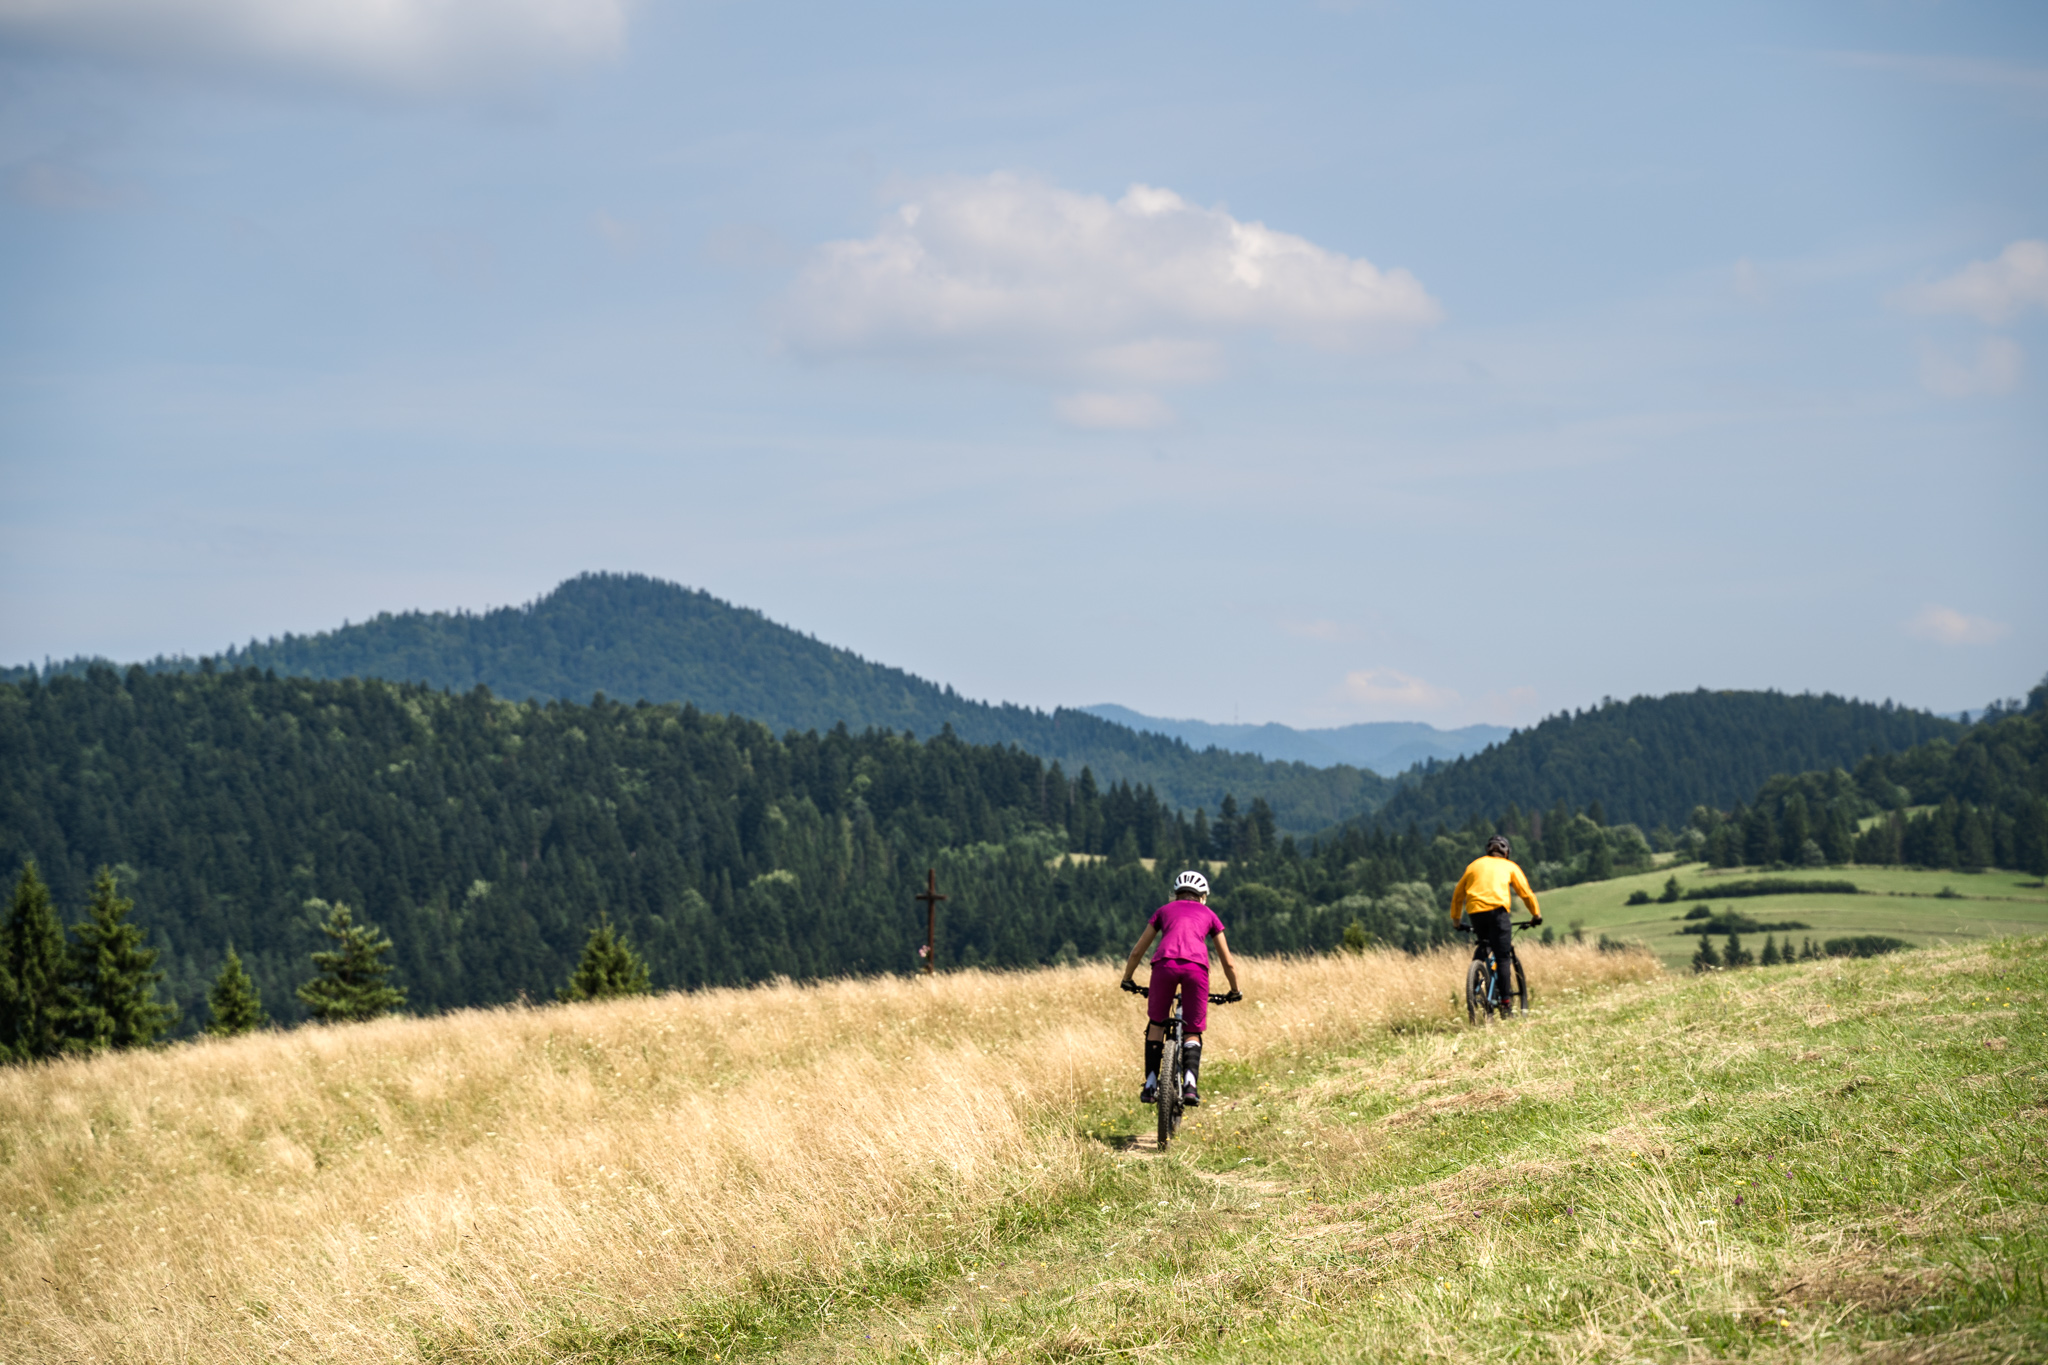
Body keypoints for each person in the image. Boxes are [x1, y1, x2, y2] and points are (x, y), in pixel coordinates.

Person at [1120, 870, 1240, 1106]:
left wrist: (1128, 978)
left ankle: (1151, 1083)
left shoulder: (1163, 911)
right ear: (1203, 896)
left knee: (1156, 1023)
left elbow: (1137, 951)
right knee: (1193, 1029)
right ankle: (1190, 1085)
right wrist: (1235, 990)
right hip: (1196, 969)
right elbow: (1228, 961)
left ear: (1175, 894)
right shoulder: (1210, 915)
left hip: (1164, 965)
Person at [1449, 834, 1541, 1017]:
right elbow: (1525, 893)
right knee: (1503, 957)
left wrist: (1456, 921)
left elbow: (1458, 895)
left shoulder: (1473, 866)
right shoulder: (1509, 866)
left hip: (1475, 912)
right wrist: (1536, 915)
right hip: (1497, 912)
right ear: (1506, 853)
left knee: (1484, 944)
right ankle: (1506, 1005)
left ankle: (1475, 981)